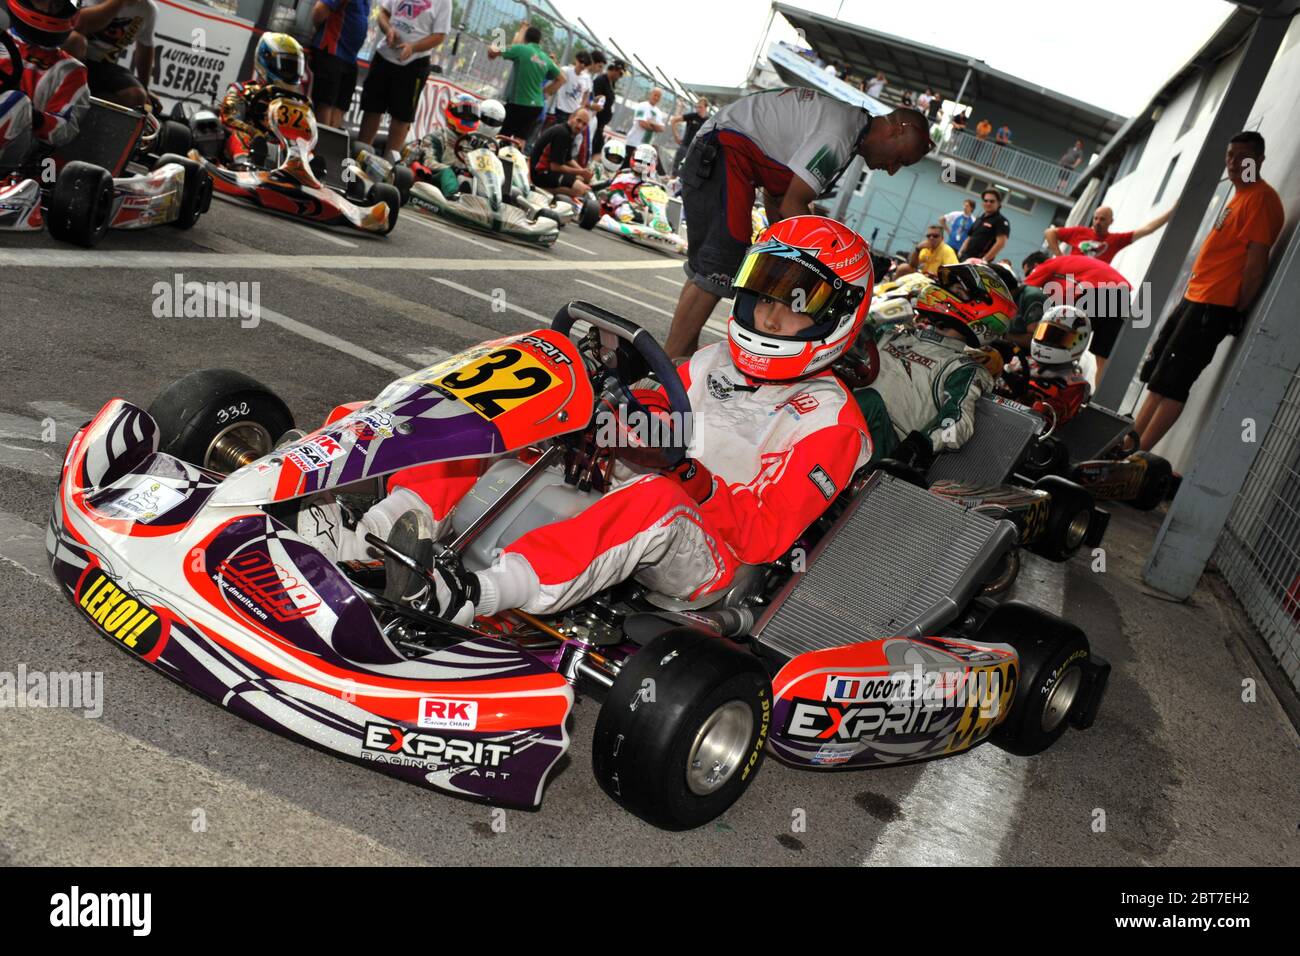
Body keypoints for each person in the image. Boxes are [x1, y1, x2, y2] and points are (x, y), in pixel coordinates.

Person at [334, 216, 873, 625]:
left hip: (715, 556)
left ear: (835, 316)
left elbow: (764, 538)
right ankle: (378, 532)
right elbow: (658, 415)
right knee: (519, 419)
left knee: (655, 499)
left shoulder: (830, 420)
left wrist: (684, 474)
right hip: (642, 485)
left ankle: (475, 595)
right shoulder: (711, 361)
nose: (770, 317)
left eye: (796, 303)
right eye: (765, 295)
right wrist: (610, 416)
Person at [666, 90, 933, 357]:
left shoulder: (849, 129)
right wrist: (828, 269)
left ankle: (679, 360)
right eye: (900, 160)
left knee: (709, 271)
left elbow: (778, 196)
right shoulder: (840, 134)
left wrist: (790, 255)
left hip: (718, 151)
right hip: (722, 152)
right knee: (720, 267)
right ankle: (667, 369)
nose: (892, 169)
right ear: (897, 130)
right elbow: (792, 205)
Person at [1135, 131, 1284, 451]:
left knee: (1173, 384)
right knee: (1159, 373)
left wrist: (1235, 310)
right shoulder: (1240, 195)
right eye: (1229, 156)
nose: (1232, 163)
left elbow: (1256, 264)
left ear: (1258, 160)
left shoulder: (1260, 199)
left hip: (1213, 305)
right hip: (1196, 297)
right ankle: (1127, 447)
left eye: (1241, 158)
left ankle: (1136, 460)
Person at [855, 262, 1013, 463]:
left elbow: (958, 423)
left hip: (885, 446)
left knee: (868, 401)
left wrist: (921, 445)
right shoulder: (896, 332)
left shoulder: (962, 367)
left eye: (955, 289)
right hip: (841, 415)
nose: (941, 290)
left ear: (980, 309)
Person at [357, 0, 450, 160]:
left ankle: (389, 166)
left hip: (413, 64)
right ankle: (358, 158)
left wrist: (413, 47)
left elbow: (439, 36)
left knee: (401, 118)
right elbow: (383, 13)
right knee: (372, 109)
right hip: (384, 56)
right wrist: (388, 29)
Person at [0, 0, 88, 165]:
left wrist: (33, 117)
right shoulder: (3, 41)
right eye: (42, 1)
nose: (48, 10)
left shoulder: (70, 70)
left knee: (18, 102)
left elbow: (65, 129)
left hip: (24, 152)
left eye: (56, 4)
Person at [1023, 253, 1131, 380]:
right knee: (1103, 359)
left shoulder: (1046, 266)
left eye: (1028, 272)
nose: (1030, 276)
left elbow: (1023, 291)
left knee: (1059, 339)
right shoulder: (1065, 271)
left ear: (1036, 265)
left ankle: (1052, 381)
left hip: (1098, 289)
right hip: (1121, 293)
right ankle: (1099, 398)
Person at [218, 33, 306, 169]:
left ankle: (308, 177)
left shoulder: (295, 103)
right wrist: (255, 133)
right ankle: (244, 167)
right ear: (265, 62)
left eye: (294, 68)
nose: (291, 73)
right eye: (287, 67)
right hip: (248, 145)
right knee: (241, 136)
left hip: (280, 152)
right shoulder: (241, 89)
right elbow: (228, 119)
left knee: (307, 153)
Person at [65, 0, 155, 109]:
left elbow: (145, 47)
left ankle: (86, 109)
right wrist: (118, 3)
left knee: (136, 96)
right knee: (75, 41)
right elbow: (78, 24)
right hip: (69, 55)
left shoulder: (148, 9)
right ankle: (63, 100)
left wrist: (145, 87)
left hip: (102, 65)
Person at [488, 23, 562, 142]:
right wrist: (545, 93)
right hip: (536, 106)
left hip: (519, 103)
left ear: (525, 38)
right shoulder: (545, 58)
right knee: (520, 140)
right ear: (539, 41)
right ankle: (514, 159)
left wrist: (491, 50)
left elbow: (495, 51)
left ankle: (496, 157)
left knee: (500, 135)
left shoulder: (522, 49)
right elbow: (562, 79)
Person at [397, 91, 477, 197]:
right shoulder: (436, 137)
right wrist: (454, 170)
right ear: (451, 113)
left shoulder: (474, 142)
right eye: (465, 115)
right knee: (447, 172)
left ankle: (495, 201)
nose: (468, 119)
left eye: (472, 117)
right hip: (435, 178)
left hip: (464, 180)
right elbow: (429, 162)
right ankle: (453, 196)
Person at [307, 0, 371, 129]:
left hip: (350, 58)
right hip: (331, 51)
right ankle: (320, 144)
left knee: (341, 106)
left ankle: (331, 144)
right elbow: (319, 11)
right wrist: (322, 32)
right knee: (325, 103)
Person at [1044, 204, 1174, 264]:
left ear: (1111, 221)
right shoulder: (1079, 231)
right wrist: (1059, 256)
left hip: (1093, 286)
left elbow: (1148, 228)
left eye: (1102, 219)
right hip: (1071, 278)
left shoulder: (1116, 240)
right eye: (1096, 218)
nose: (1098, 222)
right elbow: (1050, 232)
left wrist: (1173, 210)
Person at [529, 106, 592, 201]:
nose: (580, 126)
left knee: (580, 180)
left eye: (584, 124)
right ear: (571, 117)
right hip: (540, 174)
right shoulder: (563, 134)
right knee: (580, 189)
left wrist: (584, 172)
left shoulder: (568, 131)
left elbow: (568, 159)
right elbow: (556, 167)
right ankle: (541, 190)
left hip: (544, 171)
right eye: (578, 121)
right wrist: (581, 172)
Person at [958, 188, 1010, 262]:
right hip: (964, 258)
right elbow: (969, 237)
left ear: (998, 203)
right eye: (986, 201)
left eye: (992, 201)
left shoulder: (1001, 221)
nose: (988, 203)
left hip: (978, 262)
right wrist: (960, 252)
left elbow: (1001, 243)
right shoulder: (979, 219)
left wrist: (984, 260)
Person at [589, 54, 624, 155]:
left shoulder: (611, 83)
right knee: (595, 150)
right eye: (620, 74)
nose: (620, 77)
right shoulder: (601, 80)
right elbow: (595, 99)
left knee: (598, 150)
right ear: (614, 69)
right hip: (595, 121)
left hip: (601, 125)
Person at [548, 49, 591, 127]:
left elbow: (586, 93)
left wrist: (582, 107)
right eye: (581, 62)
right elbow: (558, 73)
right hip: (561, 109)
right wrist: (554, 62)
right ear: (576, 60)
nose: (583, 65)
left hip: (575, 112)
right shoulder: (566, 70)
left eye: (586, 64)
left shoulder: (586, 78)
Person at [669, 95, 708, 175]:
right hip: (685, 147)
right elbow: (673, 120)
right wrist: (676, 136)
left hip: (696, 151)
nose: (698, 109)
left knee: (688, 174)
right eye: (697, 107)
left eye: (700, 107)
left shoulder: (708, 121)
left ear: (705, 108)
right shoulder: (692, 116)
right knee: (676, 171)